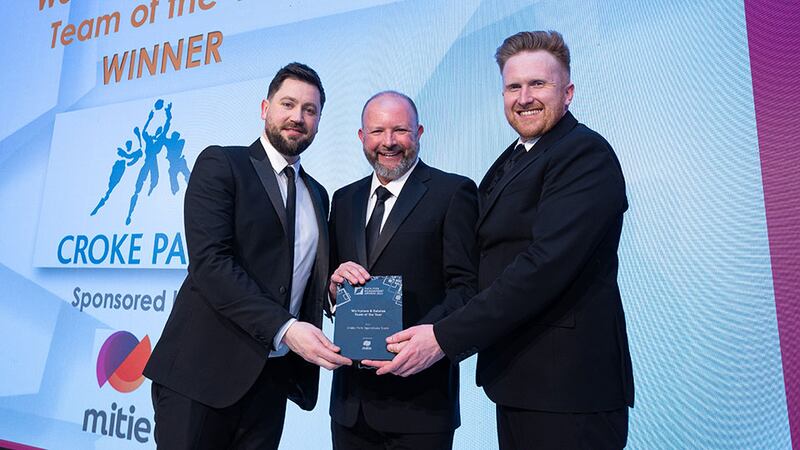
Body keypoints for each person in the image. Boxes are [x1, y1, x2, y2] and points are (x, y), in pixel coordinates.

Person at [367, 31, 635, 449]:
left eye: (538, 84)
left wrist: (442, 335)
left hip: (569, 390)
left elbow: (542, 267)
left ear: (568, 92)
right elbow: (476, 263)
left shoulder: (585, 155)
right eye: (513, 86)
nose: (524, 97)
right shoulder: (513, 158)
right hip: (520, 382)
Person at [144, 62, 351, 450]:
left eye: (310, 110)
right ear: (264, 108)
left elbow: (299, 277)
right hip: (200, 377)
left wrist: (332, 289)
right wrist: (286, 329)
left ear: (320, 122)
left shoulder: (318, 195)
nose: (298, 117)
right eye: (288, 104)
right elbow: (211, 265)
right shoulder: (222, 164)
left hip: (271, 383)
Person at [328, 91, 478, 449]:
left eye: (400, 130)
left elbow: (467, 288)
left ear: (420, 132)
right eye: (377, 131)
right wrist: (332, 290)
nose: (389, 142)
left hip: (421, 403)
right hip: (351, 406)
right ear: (361, 137)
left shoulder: (453, 191)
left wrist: (428, 339)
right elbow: (331, 281)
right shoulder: (343, 199)